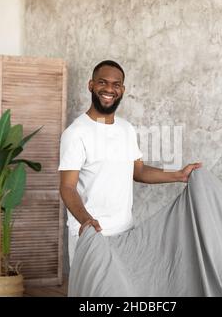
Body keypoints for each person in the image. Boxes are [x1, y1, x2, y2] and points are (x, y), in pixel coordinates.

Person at [58, 60, 202, 265]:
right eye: (102, 82)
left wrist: (178, 175)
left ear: (122, 90)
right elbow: (67, 187)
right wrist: (86, 220)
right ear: (91, 85)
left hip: (125, 231)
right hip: (90, 233)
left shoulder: (126, 129)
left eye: (116, 84)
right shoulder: (76, 133)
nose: (109, 89)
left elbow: (139, 171)